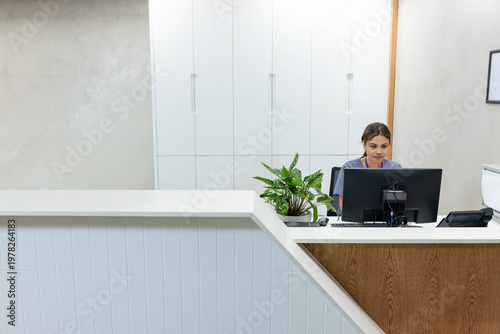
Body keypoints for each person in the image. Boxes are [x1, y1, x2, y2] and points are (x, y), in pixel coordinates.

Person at [333, 122, 402, 211]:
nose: (379, 151)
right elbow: (343, 207)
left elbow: (401, 203)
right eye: (373, 146)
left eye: (384, 146)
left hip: (386, 222)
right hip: (355, 221)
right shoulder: (349, 167)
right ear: (364, 144)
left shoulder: (395, 168)